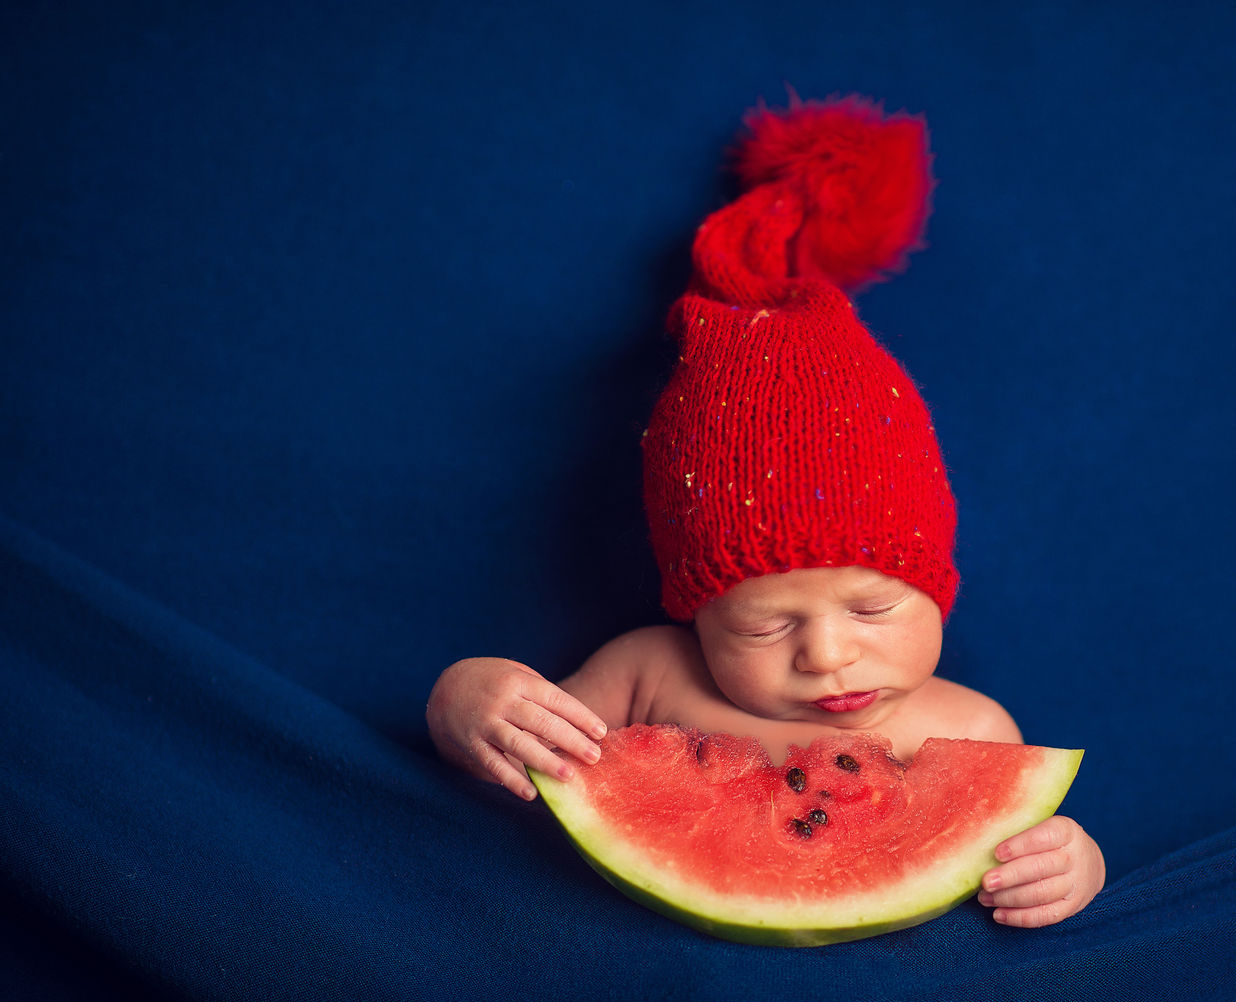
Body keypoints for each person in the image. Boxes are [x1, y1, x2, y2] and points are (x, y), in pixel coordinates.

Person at [428, 94, 1104, 928]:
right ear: (695, 610)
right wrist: (469, 703)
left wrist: (1076, 864)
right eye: (762, 627)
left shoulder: (971, 727)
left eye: (873, 606)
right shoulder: (645, 673)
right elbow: (520, 757)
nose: (826, 655)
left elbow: (1012, 845)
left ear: (937, 586)